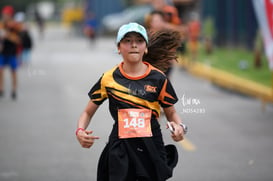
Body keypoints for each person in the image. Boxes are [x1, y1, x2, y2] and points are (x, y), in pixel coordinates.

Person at [76, 22, 187, 180]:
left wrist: (180, 127)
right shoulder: (108, 78)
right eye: (127, 41)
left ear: (146, 48)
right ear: (119, 48)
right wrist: (80, 131)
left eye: (139, 41)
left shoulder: (159, 79)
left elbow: (172, 113)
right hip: (121, 147)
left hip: (151, 147)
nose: (134, 45)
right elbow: (87, 112)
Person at [0, 5, 21, 99]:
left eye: (6, 14)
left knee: (13, 71)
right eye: (4, 14)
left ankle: (14, 90)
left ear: (10, 15)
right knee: (0, 70)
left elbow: (18, 40)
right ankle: (1, 89)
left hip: (12, 52)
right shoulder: (1, 25)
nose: (5, 16)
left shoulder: (16, 26)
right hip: (2, 52)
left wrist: (7, 35)